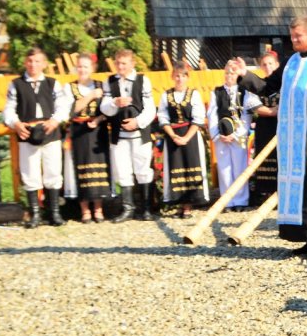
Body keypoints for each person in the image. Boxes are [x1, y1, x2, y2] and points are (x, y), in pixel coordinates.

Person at [237, 17, 307, 259]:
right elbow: (267, 87)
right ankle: (306, 238)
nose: (294, 40)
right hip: (292, 137)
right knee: (298, 186)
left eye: (298, 36)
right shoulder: (290, 62)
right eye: (292, 36)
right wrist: (243, 76)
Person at [4, 47, 71, 227]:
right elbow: (9, 109)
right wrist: (16, 124)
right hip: (27, 132)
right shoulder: (16, 84)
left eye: (37, 61)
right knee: (30, 172)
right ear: (26, 62)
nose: (33, 65)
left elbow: (63, 106)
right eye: (30, 61)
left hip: (50, 132)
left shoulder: (52, 83)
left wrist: (55, 121)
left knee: (53, 171)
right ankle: (35, 214)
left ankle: (54, 213)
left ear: (43, 64)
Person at [100, 49, 158, 223]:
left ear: (132, 64)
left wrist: (137, 122)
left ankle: (146, 208)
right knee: (123, 170)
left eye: (124, 63)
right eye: (118, 63)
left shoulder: (142, 81)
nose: (120, 66)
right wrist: (114, 103)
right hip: (119, 134)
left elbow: (150, 108)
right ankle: (128, 208)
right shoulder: (110, 82)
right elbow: (104, 108)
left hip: (140, 133)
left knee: (143, 169)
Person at [208, 59, 262, 212]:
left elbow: (246, 115)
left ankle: (241, 200)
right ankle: (226, 201)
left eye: (232, 73)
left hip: (238, 136)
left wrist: (237, 134)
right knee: (224, 168)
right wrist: (218, 135)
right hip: (222, 136)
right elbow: (212, 114)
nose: (229, 76)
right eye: (227, 73)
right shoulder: (217, 92)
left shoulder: (244, 92)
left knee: (239, 167)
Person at [158, 61, 209, 218]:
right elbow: (162, 116)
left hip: (190, 134)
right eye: (177, 75)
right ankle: (179, 204)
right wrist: (173, 136)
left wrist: (186, 137)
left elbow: (198, 117)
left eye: (183, 76)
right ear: (172, 76)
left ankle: (188, 206)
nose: (180, 79)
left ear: (188, 77)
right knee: (175, 167)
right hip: (172, 135)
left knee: (191, 166)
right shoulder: (166, 95)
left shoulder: (193, 94)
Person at [63, 53, 111, 223]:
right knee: (80, 166)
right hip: (79, 130)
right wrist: (90, 96)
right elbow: (72, 109)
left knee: (99, 168)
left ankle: (98, 208)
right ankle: (85, 211)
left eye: (86, 66)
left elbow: (109, 110)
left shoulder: (101, 85)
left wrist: (98, 119)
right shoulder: (69, 88)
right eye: (80, 66)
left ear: (93, 68)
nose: (82, 70)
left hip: (98, 130)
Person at [248, 50, 281, 204]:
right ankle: (266, 192)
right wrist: (272, 111)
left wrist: (278, 111)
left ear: (277, 65)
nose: (267, 67)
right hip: (264, 125)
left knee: (280, 156)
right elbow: (253, 104)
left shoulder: (284, 83)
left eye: (270, 64)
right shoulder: (258, 83)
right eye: (264, 64)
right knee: (264, 156)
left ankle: (280, 192)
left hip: (281, 125)